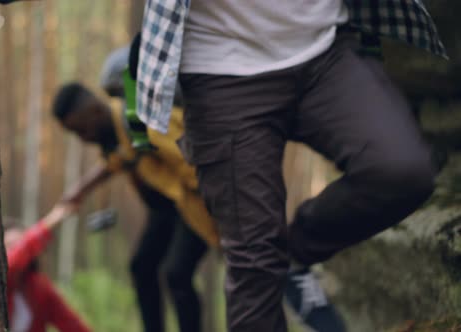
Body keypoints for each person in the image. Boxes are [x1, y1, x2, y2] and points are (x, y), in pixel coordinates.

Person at [133, 1, 446, 331]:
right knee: (255, 263)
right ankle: (271, 256)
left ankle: (294, 252)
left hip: (326, 48)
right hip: (222, 70)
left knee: (401, 170)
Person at [53, 50, 215, 332]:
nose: (84, 139)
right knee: (142, 266)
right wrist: (79, 190)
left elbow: (192, 161)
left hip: (197, 200)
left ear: (93, 110)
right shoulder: (112, 134)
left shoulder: (138, 121)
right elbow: (115, 162)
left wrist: (220, 208)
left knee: (176, 273)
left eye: (82, 130)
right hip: (169, 206)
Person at [5, 206, 92, 332]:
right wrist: (50, 221)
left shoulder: (39, 288)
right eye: (10, 246)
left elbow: (73, 325)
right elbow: (11, 263)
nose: (19, 250)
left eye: (20, 244)